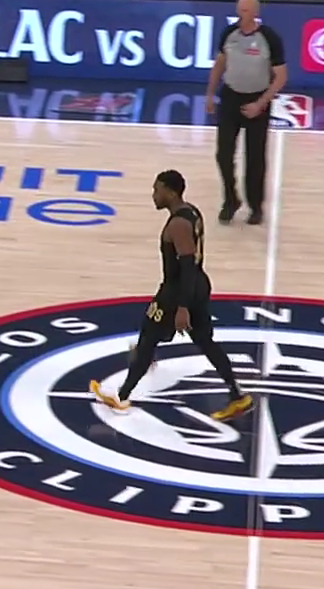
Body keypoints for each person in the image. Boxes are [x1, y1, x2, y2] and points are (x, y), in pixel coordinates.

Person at [88, 170, 254, 421]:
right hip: (198, 284)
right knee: (205, 342)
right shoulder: (192, 212)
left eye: (157, 190)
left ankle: (121, 396)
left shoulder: (178, 224)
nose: (154, 195)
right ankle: (238, 396)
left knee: (148, 337)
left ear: (171, 192)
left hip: (177, 290)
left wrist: (182, 307)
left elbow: (186, 265)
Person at [203, 0, 286, 224]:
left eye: (246, 11)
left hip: (257, 99)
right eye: (239, 10)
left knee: (255, 158)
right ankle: (230, 200)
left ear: (255, 13)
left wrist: (260, 104)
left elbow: (281, 76)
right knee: (223, 154)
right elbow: (219, 65)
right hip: (230, 97)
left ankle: (255, 206)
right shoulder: (229, 34)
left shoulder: (269, 37)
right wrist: (210, 94)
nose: (241, 15)